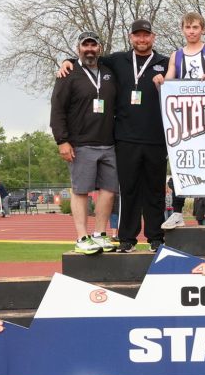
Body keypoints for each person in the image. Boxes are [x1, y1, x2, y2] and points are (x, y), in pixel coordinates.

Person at [59, 19, 170, 252]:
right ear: (131, 37)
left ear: (153, 37)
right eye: (137, 35)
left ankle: (156, 237)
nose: (142, 39)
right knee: (127, 191)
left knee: (155, 191)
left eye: (146, 35)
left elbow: (184, 77)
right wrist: (67, 61)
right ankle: (127, 238)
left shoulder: (165, 63)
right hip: (125, 138)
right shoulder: (118, 60)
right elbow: (89, 58)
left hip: (157, 138)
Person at [50, 31, 119, 255]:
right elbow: (57, 108)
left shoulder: (109, 72)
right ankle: (81, 237)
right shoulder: (68, 73)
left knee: (109, 191)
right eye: (85, 45)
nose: (89, 49)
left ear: (99, 48)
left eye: (93, 45)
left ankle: (99, 234)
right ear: (78, 48)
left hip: (109, 143)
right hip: (80, 143)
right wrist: (62, 141)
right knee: (81, 191)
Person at [162, 12, 205, 229]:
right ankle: (177, 212)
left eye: (195, 27)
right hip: (185, 120)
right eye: (188, 27)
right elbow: (168, 82)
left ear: (202, 29)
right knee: (181, 163)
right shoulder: (176, 56)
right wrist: (160, 81)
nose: (191, 31)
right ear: (182, 29)